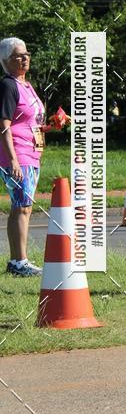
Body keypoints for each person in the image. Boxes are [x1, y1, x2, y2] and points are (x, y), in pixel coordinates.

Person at [0, 37, 45, 277]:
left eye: (26, 53)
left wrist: (53, 126)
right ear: (6, 60)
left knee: (22, 207)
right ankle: (20, 262)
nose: (25, 58)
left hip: (31, 152)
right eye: (18, 55)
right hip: (16, 154)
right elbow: (4, 125)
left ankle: (16, 261)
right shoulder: (8, 85)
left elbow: (31, 121)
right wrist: (13, 160)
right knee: (23, 207)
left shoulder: (25, 84)